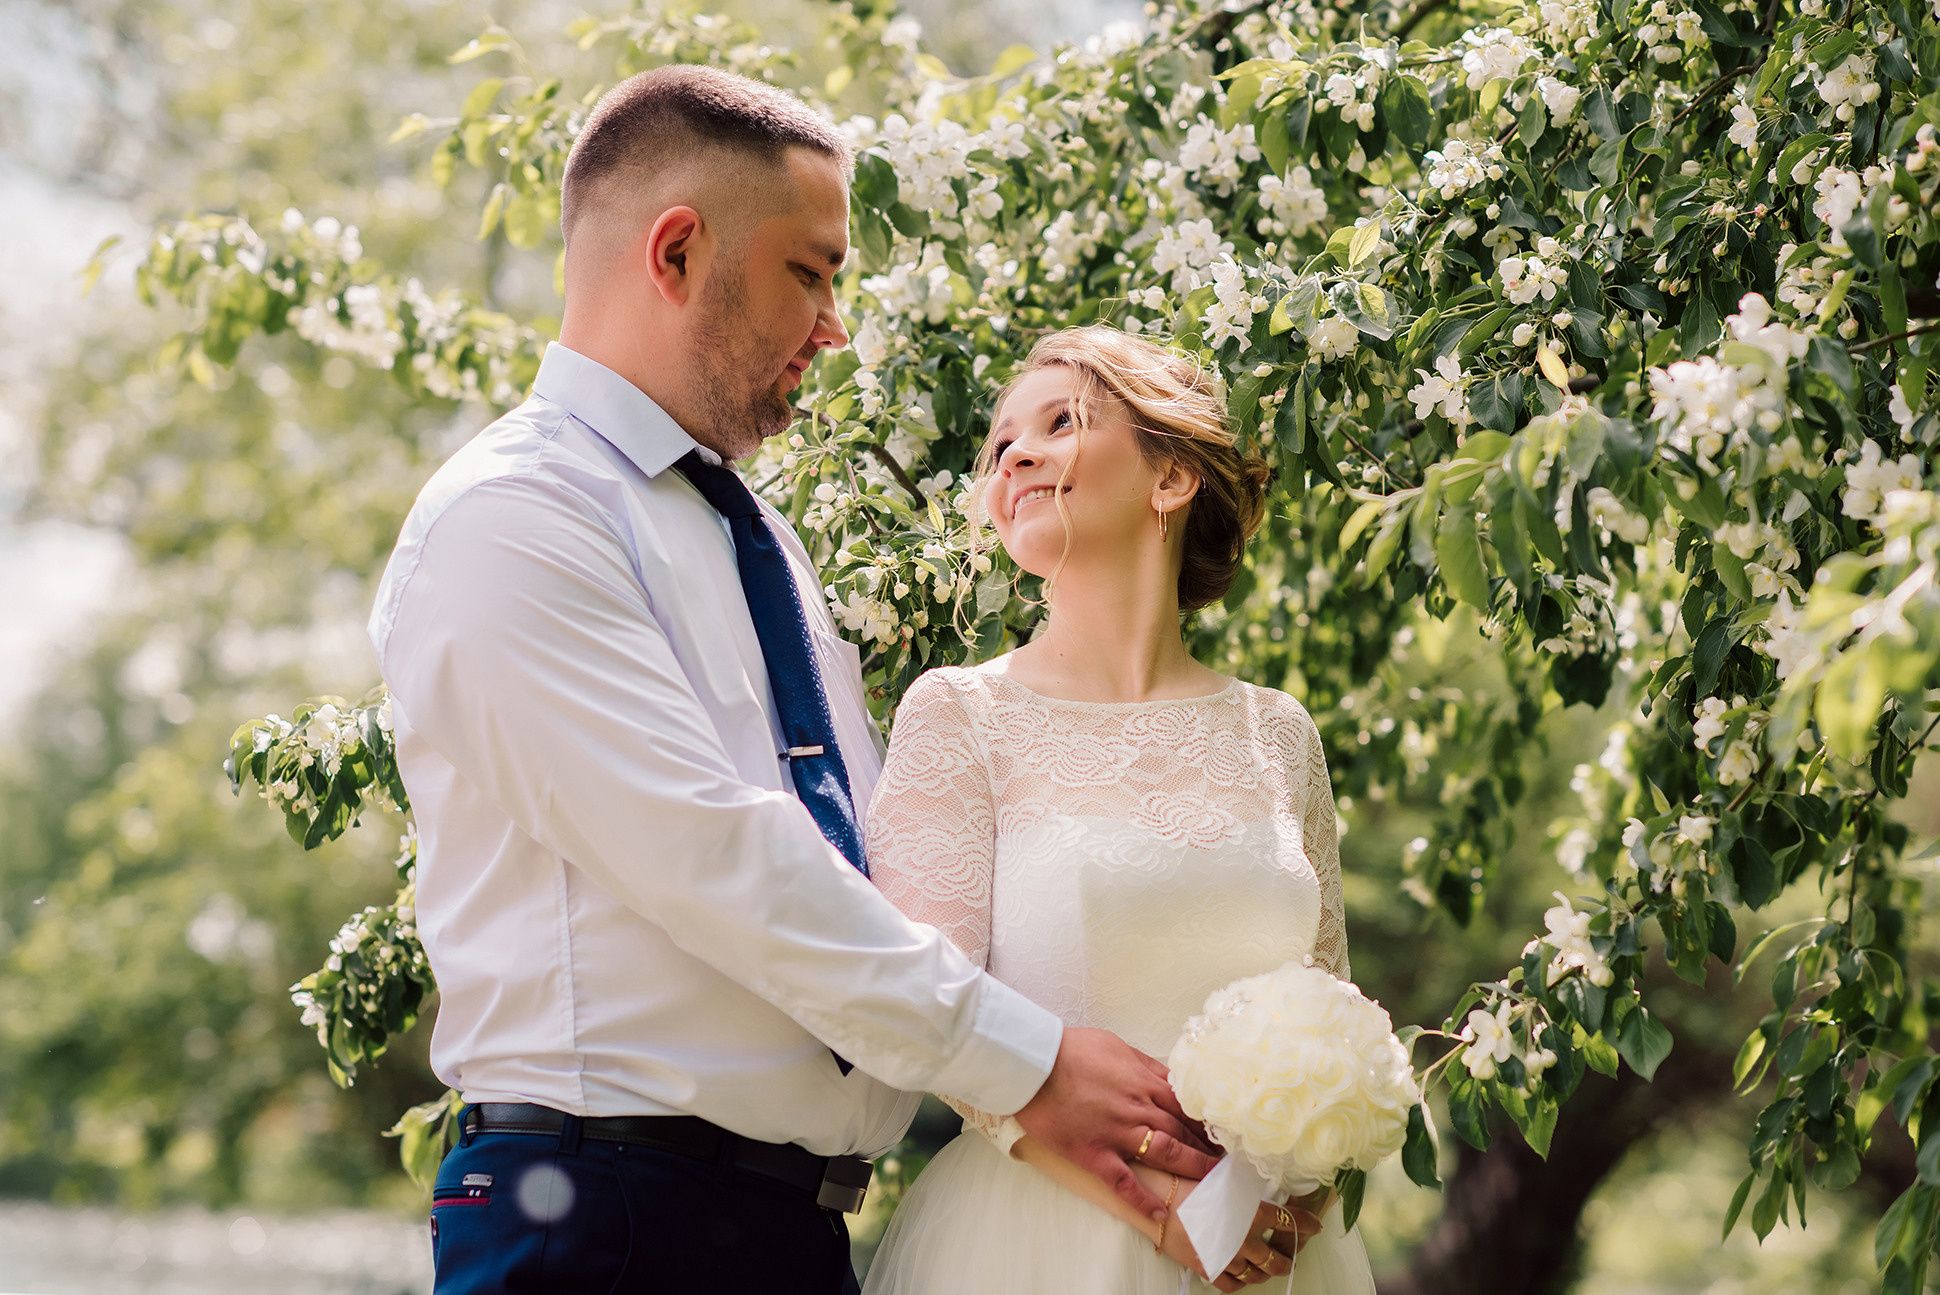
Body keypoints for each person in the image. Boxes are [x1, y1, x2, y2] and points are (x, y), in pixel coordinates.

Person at [369, 67, 1217, 1294]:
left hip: (780, 1233)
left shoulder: (750, 535)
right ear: (674, 252)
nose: (833, 326)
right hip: (603, 1223)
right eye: (809, 273)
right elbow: (713, 856)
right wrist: (1028, 1066)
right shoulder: (514, 518)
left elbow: (867, 875)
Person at [858, 326, 1377, 1294]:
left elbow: (1333, 1005)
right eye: (1001, 441)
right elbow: (931, 1012)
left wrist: (1315, 1176)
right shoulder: (960, 713)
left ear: (1169, 478)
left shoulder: (1277, 732)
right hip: (1044, 1237)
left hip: (1269, 1249)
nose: (1014, 453)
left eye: (1061, 422)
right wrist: (1157, 1205)